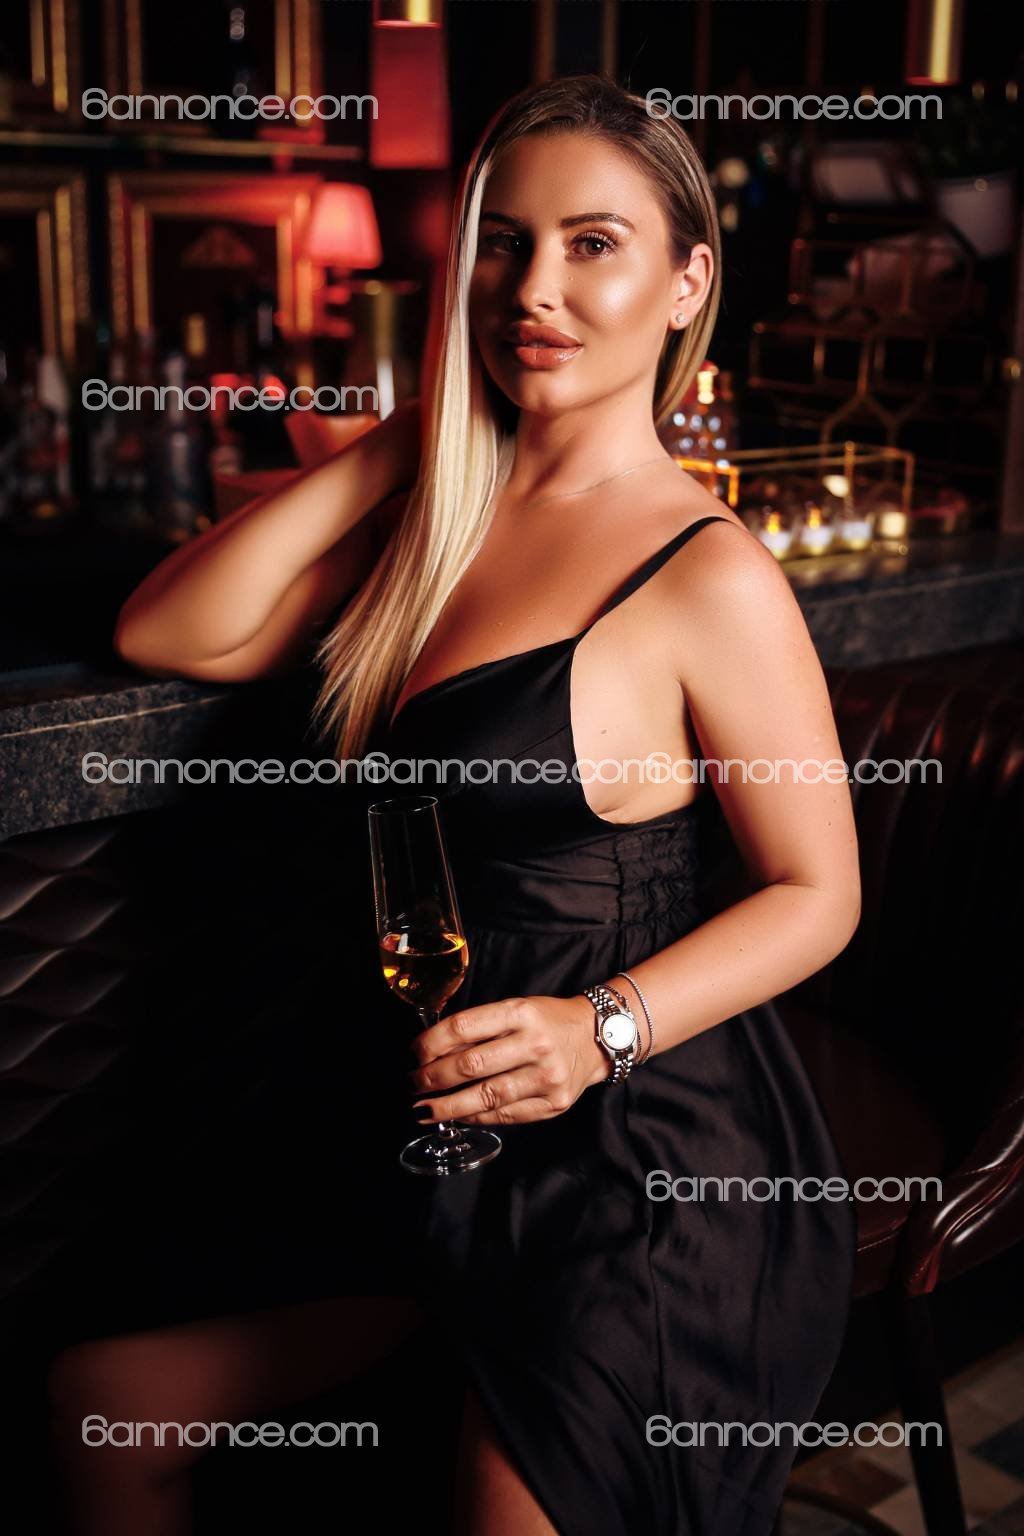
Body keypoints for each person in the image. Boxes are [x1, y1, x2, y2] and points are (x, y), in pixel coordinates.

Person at [48, 75, 860, 1535]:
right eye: (504, 243)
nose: (534, 288)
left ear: (688, 285)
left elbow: (820, 895)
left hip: (634, 1156)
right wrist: (420, 432)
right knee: (104, 1408)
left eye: (593, 245)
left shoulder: (708, 572)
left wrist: (598, 1032)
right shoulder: (437, 527)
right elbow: (170, 629)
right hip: (426, 1128)